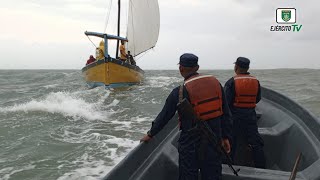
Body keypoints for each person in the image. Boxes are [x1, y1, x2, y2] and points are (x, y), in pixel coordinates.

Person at [141, 53, 232, 180]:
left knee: (188, 176)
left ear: (181, 69)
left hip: (190, 144)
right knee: (213, 175)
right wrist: (226, 137)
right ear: (197, 67)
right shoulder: (216, 84)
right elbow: (226, 113)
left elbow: (164, 116)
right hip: (214, 141)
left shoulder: (179, 92)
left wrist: (150, 134)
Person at [224, 57, 266, 168]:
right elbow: (257, 99)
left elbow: (226, 103)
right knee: (256, 143)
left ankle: (229, 166)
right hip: (250, 117)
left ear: (236, 67)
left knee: (231, 142)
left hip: (235, 117)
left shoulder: (231, 82)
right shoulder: (255, 81)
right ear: (247, 68)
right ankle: (261, 167)